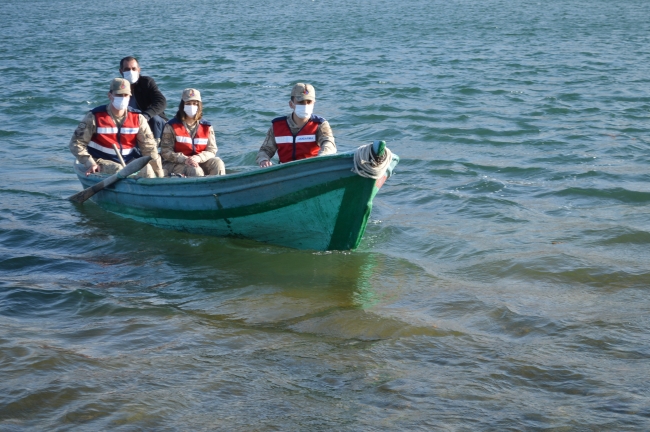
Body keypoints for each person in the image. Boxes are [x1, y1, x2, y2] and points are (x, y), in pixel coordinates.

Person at [69, 78, 164, 178]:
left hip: (128, 160)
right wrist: (90, 163)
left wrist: (159, 176)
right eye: (119, 95)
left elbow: (149, 148)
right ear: (110, 96)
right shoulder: (94, 116)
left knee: (148, 170)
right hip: (100, 160)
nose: (122, 98)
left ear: (130, 97)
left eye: (125, 95)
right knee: (118, 170)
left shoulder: (138, 118)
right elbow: (76, 143)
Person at [256, 83, 336, 168]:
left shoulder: (320, 124)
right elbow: (265, 150)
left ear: (314, 103)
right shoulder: (277, 126)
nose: (305, 106)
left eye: (309, 102)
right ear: (291, 104)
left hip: (312, 168)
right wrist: (264, 160)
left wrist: (322, 157)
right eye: (301, 102)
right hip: (285, 169)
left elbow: (329, 143)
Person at [160, 88, 225, 177]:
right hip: (175, 163)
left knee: (218, 163)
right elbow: (166, 152)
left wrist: (198, 158)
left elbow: (212, 150)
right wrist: (185, 159)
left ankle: (218, 189)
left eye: (195, 104)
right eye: (188, 104)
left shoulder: (207, 127)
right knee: (195, 170)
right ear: (182, 105)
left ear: (199, 106)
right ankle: (198, 190)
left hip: (199, 160)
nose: (192, 106)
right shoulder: (171, 126)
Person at [119, 56, 167, 141]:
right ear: (121, 71)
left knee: (155, 119)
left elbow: (161, 101)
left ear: (138, 70)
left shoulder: (146, 82)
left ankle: (156, 148)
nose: (131, 72)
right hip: (130, 123)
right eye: (127, 69)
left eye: (134, 69)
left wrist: (146, 115)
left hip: (150, 122)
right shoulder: (118, 87)